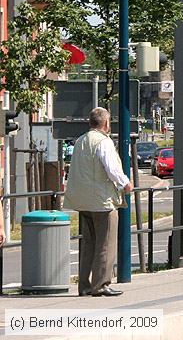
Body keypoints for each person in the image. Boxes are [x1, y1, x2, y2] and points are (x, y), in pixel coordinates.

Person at [65, 107, 133, 297]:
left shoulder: (80, 141)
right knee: (105, 243)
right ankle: (101, 284)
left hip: (83, 201)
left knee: (88, 244)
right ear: (105, 123)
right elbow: (111, 168)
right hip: (102, 201)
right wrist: (126, 184)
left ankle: (85, 285)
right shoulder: (104, 142)